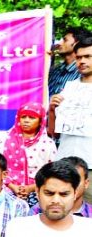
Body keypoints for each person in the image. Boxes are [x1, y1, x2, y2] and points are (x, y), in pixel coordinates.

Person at [50, 36, 92, 205]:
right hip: (65, 162)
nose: (82, 61)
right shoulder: (68, 88)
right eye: (79, 57)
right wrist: (52, 110)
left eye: (88, 57)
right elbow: (53, 132)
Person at [0, 102, 57, 207]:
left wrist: (31, 188)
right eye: (23, 117)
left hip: (38, 189)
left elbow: (52, 172)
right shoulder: (7, 138)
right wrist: (12, 186)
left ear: (40, 121)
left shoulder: (47, 144)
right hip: (7, 188)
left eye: (32, 117)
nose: (26, 120)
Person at [48, 29, 84, 97]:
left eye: (65, 40)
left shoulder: (82, 73)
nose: (60, 43)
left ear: (76, 44)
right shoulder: (55, 70)